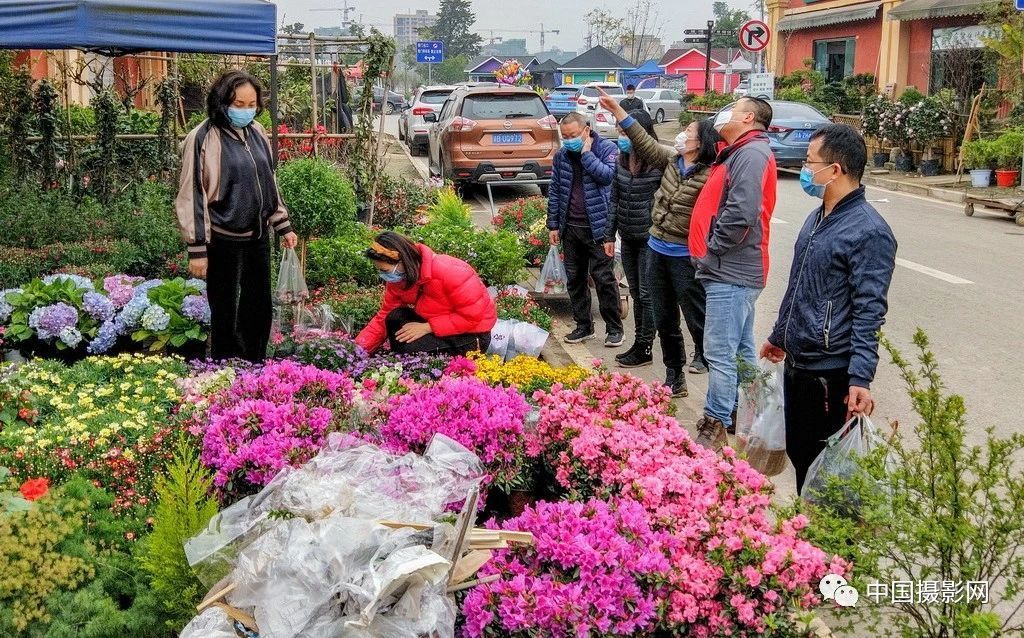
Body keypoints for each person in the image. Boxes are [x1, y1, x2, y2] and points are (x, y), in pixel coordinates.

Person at [760, 124, 897, 493]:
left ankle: (832, 548)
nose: (804, 169)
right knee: (801, 458)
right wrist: (780, 336)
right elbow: (800, 286)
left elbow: (869, 313)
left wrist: (860, 379)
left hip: (828, 373)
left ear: (834, 170)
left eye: (809, 162)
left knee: (827, 476)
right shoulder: (818, 215)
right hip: (797, 364)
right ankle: (809, 544)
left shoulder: (869, 232)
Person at [600, 88, 720, 397]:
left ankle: (710, 365)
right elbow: (644, 142)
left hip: (685, 256)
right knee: (665, 317)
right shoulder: (671, 161)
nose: (681, 136)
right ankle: (674, 374)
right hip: (657, 248)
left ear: (701, 143)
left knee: (696, 317)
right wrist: (619, 112)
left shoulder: (712, 176)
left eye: (688, 133)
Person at [175, 70, 298, 363]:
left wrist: (283, 224)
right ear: (222, 101)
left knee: (258, 306)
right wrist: (197, 250)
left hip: (257, 236)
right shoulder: (202, 137)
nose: (246, 110)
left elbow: (268, 180)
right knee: (225, 308)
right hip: (222, 239)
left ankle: (255, 363)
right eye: (238, 104)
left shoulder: (256, 132)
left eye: (251, 104)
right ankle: (226, 367)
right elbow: (192, 192)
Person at [689, 97, 778, 450]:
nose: (723, 112)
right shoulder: (738, 151)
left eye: (733, 106)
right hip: (732, 270)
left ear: (748, 116)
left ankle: (716, 421)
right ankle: (753, 413)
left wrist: (712, 252)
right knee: (739, 350)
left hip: (732, 270)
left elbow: (741, 212)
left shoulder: (751, 153)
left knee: (719, 351)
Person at [546, 112, 623, 346]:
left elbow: (608, 177)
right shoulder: (561, 156)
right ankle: (584, 326)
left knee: (603, 278)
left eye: (573, 135)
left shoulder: (607, 148)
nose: (569, 140)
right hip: (571, 227)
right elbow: (556, 190)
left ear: (586, 130)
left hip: (598, 227)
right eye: (565, 136)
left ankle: (614, 328)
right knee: (575, 279)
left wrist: (587, 153)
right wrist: (553, 224)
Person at [355, 232, 497, 356]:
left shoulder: (450, 271)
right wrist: (358, 349)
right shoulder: (399, 278)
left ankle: (416, 365)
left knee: (409, 349)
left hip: (472, 335)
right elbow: (385, 314)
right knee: (394, 318)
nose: (383, 276)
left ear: (403, 261)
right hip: (441, 325)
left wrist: (427, 327)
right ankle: (406, 355)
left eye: (385, 270)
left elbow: (471, 316)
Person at [601, 109, 662, 369]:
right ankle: (639, 343)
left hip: (650, 239)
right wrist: (609, 235)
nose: (622, 136)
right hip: (627, 237)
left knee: (647, 295)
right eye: (620, 131)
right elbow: (614, 199)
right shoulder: (621, 160)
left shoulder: (659, 162)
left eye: (626, 132)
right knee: (636, 292)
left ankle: (645, 345)